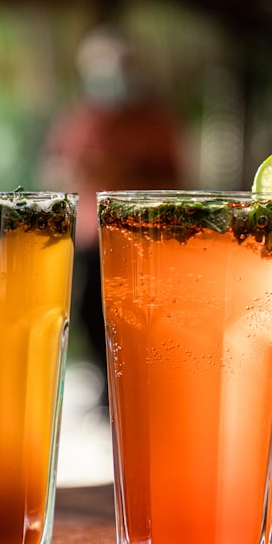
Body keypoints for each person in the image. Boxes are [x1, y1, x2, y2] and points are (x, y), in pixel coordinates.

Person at [40, 26, 183, 390]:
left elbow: (176, 177)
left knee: (139, 316)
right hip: (92, 235)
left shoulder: (154, 121)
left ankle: (136, 386)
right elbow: (55, 166)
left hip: (142, 235)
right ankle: (108, 387)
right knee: (90, 312)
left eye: (121, 64)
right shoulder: (79, 118)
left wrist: (124, 170)